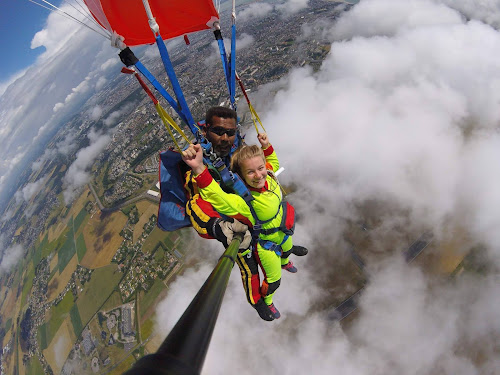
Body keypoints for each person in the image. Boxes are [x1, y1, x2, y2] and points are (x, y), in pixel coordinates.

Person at [182, 132, 307, 319]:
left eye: (260, 168)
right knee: (274, 281)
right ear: (241, 177)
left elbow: (273, 161)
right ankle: (267, 301)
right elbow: (218, 196)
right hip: (266, 246)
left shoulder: (270, 176)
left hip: (283, 232)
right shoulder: (246, 201)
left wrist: (266, 145)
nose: (258, 175)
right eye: (250, 172)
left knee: (288, 248)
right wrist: (199, 168)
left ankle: (285, 260)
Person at [183, 106, 275, 321]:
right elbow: (195, 207)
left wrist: (267, 150)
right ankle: (256, 301)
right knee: (250, 265)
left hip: (253, 212)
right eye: (218, 131)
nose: (225, 138)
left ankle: (280, 265)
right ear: (205, 132)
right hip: (236, 226)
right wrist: (219, 227)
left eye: (230, 133)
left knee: (271, 250)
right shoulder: (197, 170)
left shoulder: (238, 152)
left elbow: (262, 169)